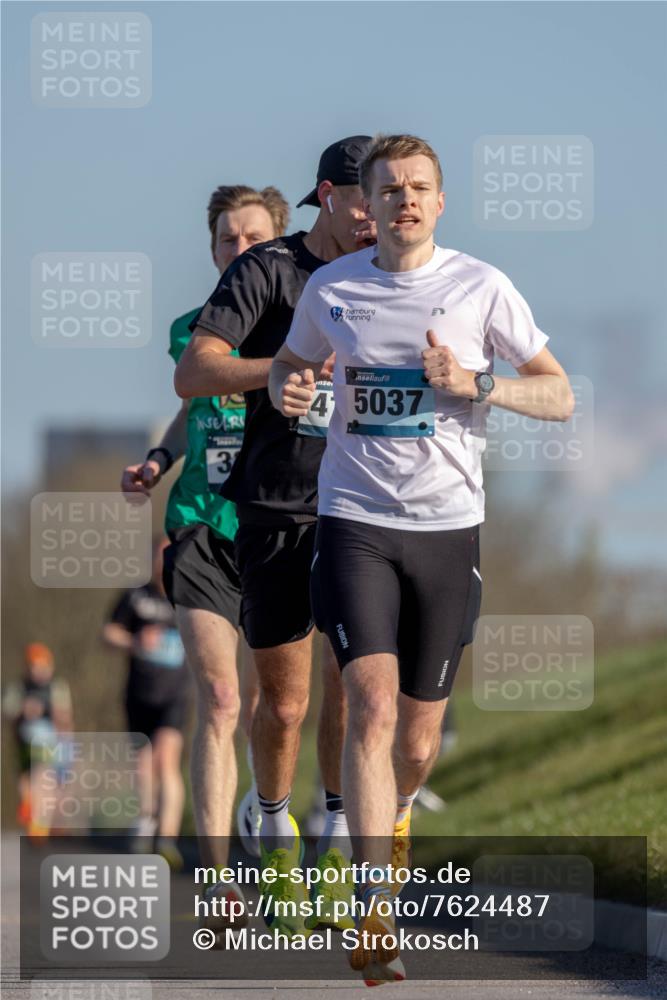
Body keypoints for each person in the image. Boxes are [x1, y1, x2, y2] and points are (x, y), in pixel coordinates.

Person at [270, 133, 575, 983]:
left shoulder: (482, 287)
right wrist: (287, 386)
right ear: (364, 204)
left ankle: (398, 813)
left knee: (415, 738)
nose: (405, 199)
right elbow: (291, 368)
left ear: (440, 202)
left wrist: (477, 385)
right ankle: (374, 910)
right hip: (353, 520)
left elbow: (558, 394)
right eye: (390, 187)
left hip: (447, 530)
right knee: (366, 706)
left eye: (420, 187)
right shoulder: (333, 288)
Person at [175, 136, 376, 936]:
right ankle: (271, 825)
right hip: (277, 507)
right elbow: (193, 372)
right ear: (326, 195)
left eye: (401, 195)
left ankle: (332, 837)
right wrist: (275, 370)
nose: (383, 214)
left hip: (365, 506)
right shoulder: (266, 270)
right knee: (284, 705)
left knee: (356, 687)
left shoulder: (397, 271)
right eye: (369, 197)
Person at [120, 185, 288, 918]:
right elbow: (193, 403)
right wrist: (158, 459)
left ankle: (269, 813)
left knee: (270, 708)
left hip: (277, 528)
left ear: (278, 242)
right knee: (220, 699)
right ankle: (219, 881)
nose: (240, 251)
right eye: (227, 240)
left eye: (254, 238)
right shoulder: (194, 328)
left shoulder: (302, 327)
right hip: (199, 526)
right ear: (213, 249)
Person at [102, 537, 190, 869]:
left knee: (167, 761)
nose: (163, 562)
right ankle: (145, 820)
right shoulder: (136, 596)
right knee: (143, 763)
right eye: (159, 556)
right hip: (139, 693)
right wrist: (134, 640)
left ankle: (167, 841)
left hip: (175, 695)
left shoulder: (190, 596)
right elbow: (108, 633)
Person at [2, 642, 73, 836]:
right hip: (24, 740)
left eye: (43, 666)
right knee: (27, 778)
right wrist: (23, 710)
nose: (40, 671)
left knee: (45, 776)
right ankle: (34, 812)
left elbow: (65, 717)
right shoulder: (18, 688)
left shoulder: (56, 687)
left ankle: (43, 822)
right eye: (35, 666)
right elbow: (7, 711)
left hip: (50, 739)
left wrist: (50, 714)